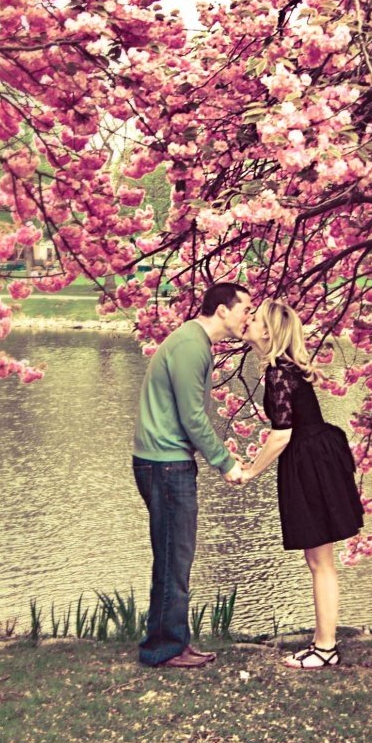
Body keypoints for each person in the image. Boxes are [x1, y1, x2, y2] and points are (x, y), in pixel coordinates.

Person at [237, 298, 366, 669]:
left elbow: (280, 436)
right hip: (313, 457)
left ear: (268, 331)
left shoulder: (280, 372)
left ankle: (325, 648)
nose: (248, 321)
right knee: (318, 560)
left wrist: (250, 471)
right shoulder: (283, 369)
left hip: (310, 461)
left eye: (255, 318)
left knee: (321, 562)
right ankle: (322, 644)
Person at [131, 281, 255, 668]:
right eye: (244, 310)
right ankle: (164, 648)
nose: (248, 317)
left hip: (166, 462)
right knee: (173, 556)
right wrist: (226, 462)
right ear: (222, 310)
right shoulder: (190, 346)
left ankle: (171, 642)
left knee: (174, 555)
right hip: (165, 464)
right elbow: (192, 417)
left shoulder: (194, 343)